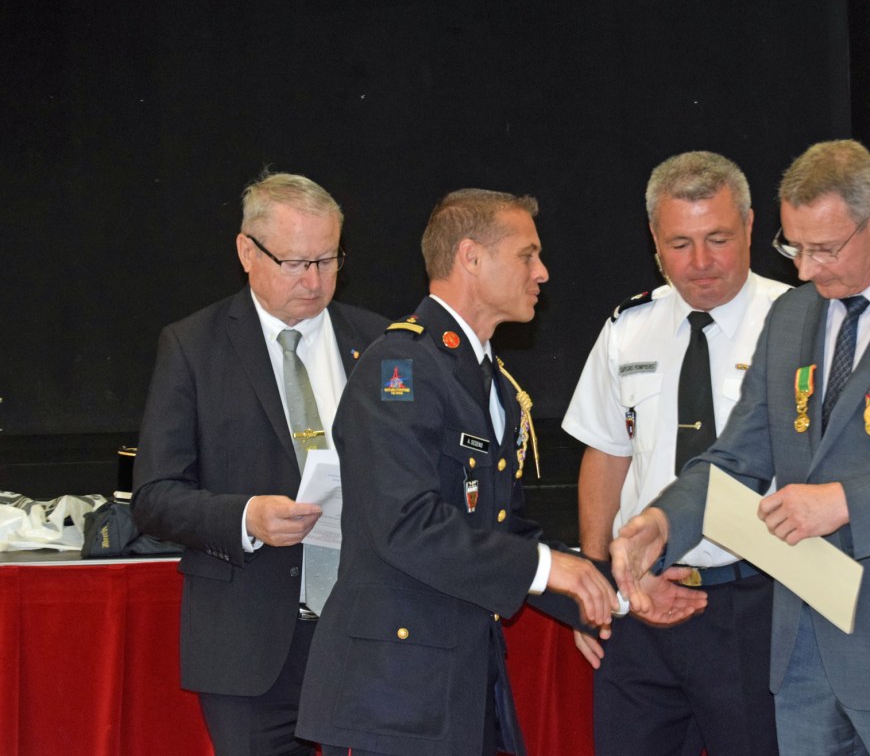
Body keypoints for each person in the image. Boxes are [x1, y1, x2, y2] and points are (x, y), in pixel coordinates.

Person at [612, 140, 870, 756]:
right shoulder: (792, 318)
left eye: (825, 249)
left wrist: (843, 503)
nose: (806, 269)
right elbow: (738, 457)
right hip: (805, 657)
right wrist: (663, 521)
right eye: (793, 248)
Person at [295, 189, 706, 756]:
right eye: (526, 254)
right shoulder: (400, 367)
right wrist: (550, 568)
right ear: (471, 257)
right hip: (396, 696)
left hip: (460, 685)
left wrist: (621, 592)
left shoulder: (491, 381)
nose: (542, 272)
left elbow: (502, 529)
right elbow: (405, 524)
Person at [132, 172, 391, 755]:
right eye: (295, 262)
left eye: (329, 259)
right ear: (247, 252)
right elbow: (154, 495)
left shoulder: (381, 343)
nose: (315, 280)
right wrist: (246, 518)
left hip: (367, 631)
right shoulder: (192, 346)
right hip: (248, 642)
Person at [562, 151, 788, 756]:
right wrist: (596, 586)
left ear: (750, 226)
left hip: (754, 601)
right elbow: (606, 454)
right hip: (639, 605)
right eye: (680, 244)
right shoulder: (628, 327)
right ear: (654, 241)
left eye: (718, 239)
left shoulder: (794, 323)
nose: (701, 262)